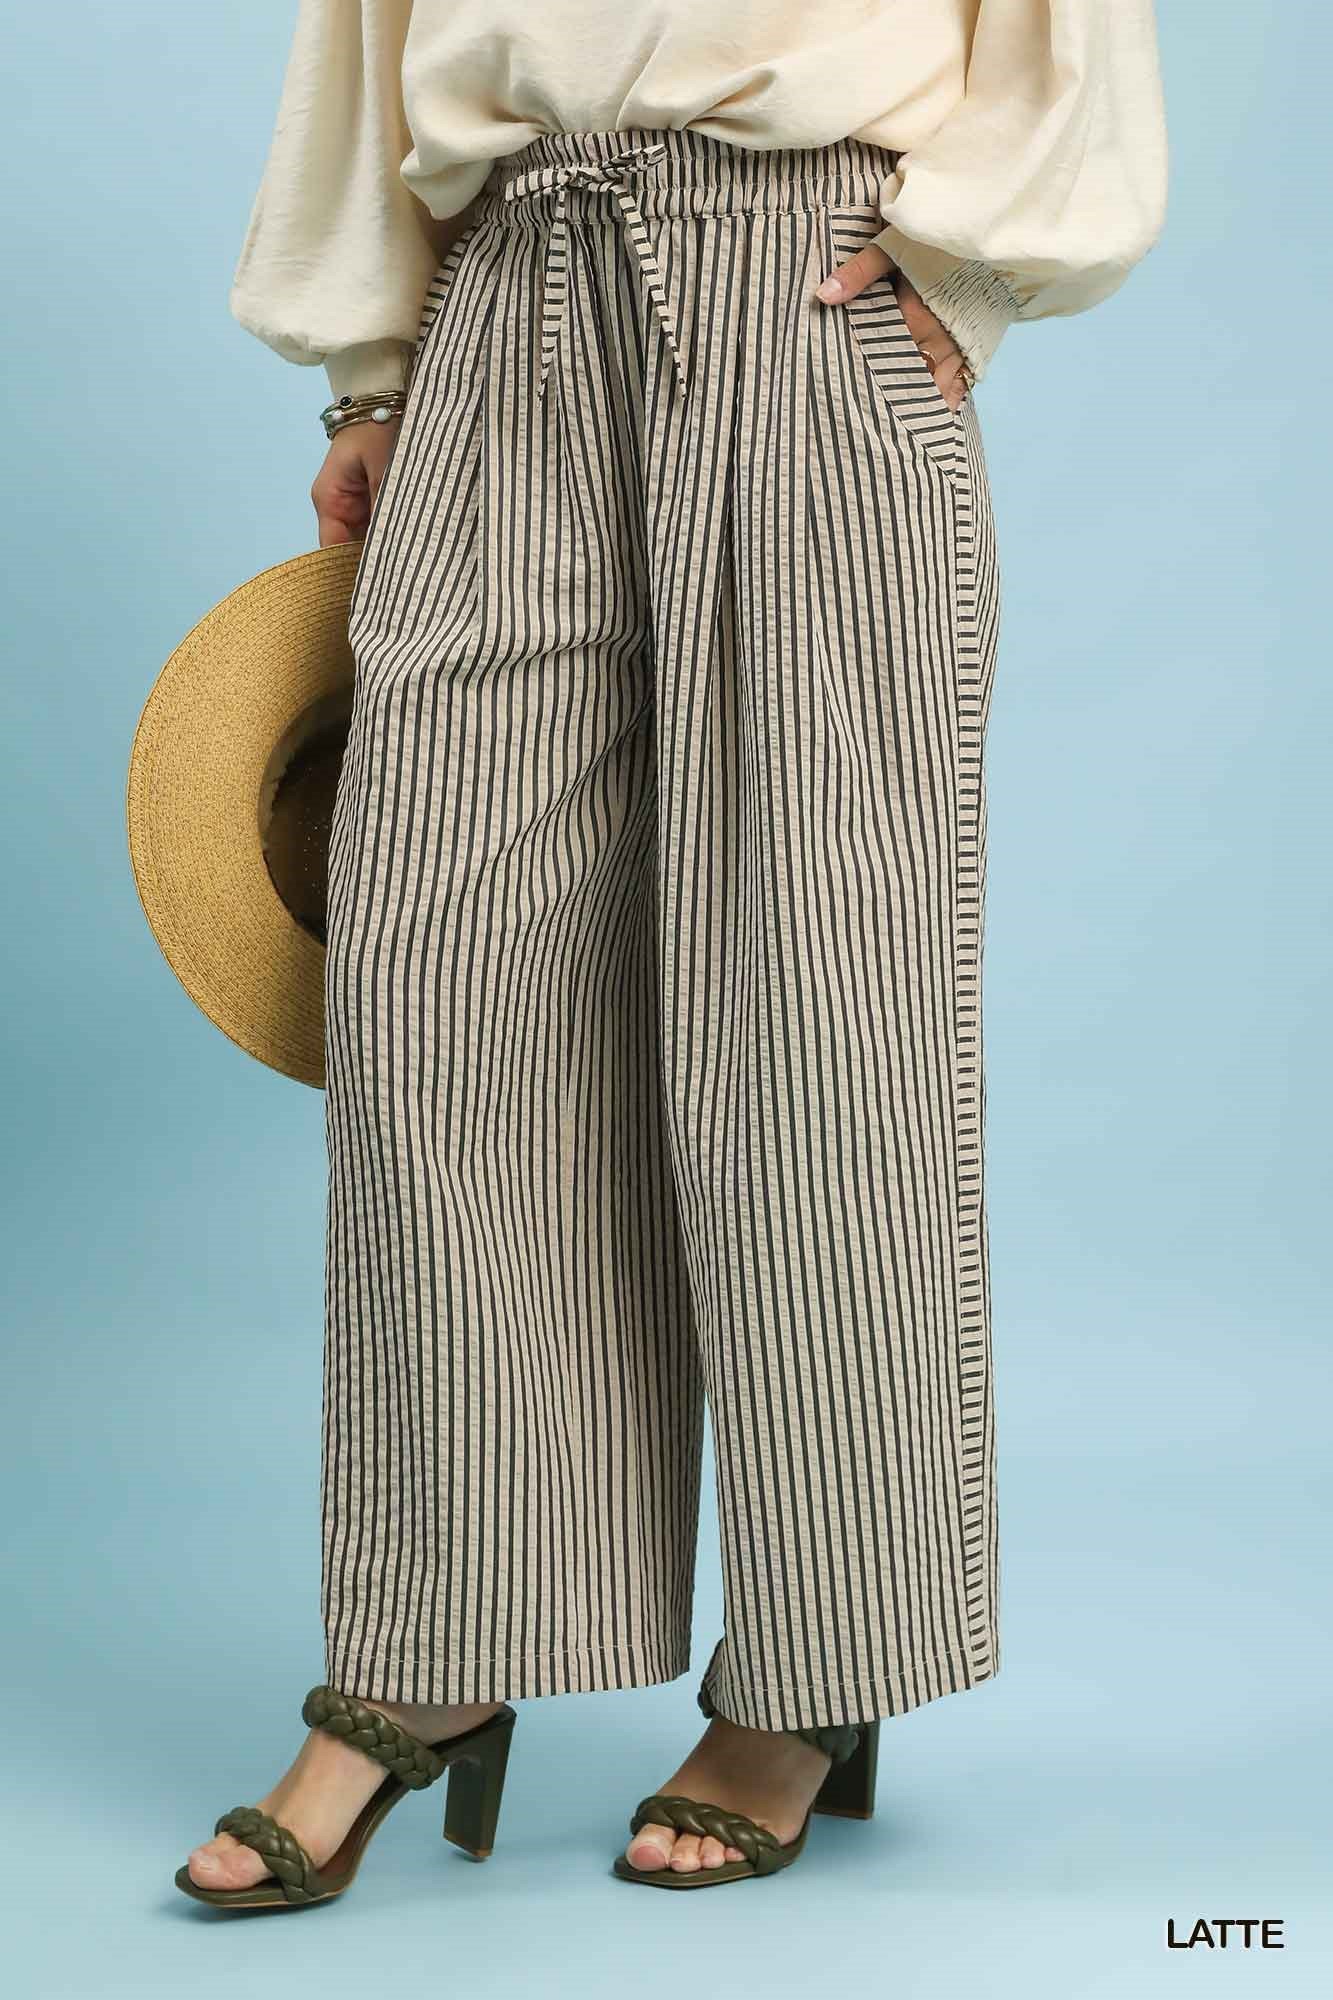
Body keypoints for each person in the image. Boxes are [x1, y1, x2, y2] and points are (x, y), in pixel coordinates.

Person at [181, 0, 1167, 1900]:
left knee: (812, 1000)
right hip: (505, 292)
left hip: (804, 293)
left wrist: (963, 265)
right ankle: (438, 1630)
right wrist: (374, 376)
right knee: (437, 988)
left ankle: (819, 1661)